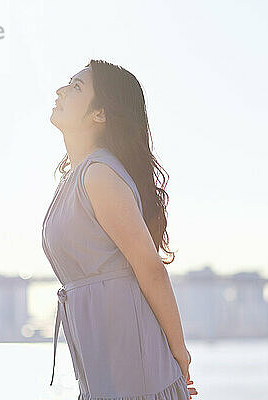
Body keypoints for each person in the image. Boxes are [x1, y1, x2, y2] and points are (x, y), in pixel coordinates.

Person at [43, 59, 199, 399]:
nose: (61, 91)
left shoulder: (99, 174)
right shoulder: (77, 176)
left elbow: (150, 268)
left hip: (136, 371)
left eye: (77, 87)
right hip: (103, 368)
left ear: (100, 114)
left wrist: (180, 354)